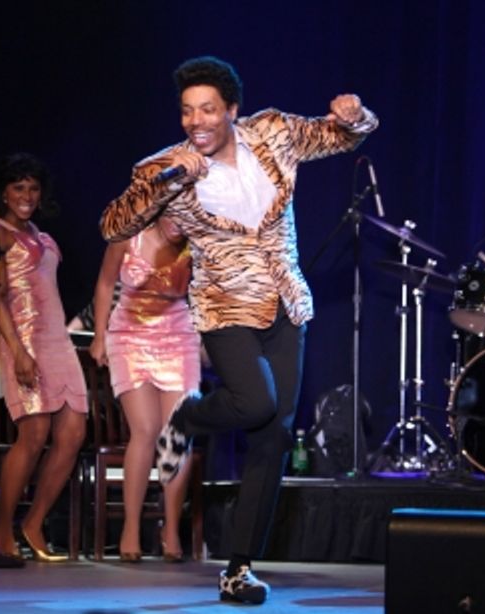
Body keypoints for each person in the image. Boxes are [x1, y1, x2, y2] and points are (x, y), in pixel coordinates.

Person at [100, 56, 377, 603]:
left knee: (273, 436)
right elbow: (113, 223)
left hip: (287, 303)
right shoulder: (167, 166)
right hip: (224, 306)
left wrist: (355, 115)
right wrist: (166, 182)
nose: (195, 121)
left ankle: (239, 568)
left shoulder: (272, 133)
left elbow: (339, 137)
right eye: (186, 112)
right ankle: (187, 417)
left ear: (231, 110)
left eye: (206, 110)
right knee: (254, 404)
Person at [0, 153, 87, 564]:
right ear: (4, 192)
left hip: (57, 340)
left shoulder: (43, 236)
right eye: (18, 188)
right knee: (35, 432)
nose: (26, 196)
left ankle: (34, 522)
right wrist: (19, 351)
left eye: (33, 188)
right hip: (21, 339)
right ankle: (2, 528)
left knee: (74, 432)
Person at [89, 216, 199, 562]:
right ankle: (131, 527)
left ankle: (170, 528)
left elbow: (210, 290)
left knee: (178, 432)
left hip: (179, 334)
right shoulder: (127, 237)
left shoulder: (197, 241)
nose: (178, 220)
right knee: (146, 429)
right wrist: (99, 336)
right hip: (129, 335)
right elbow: (106, 284)